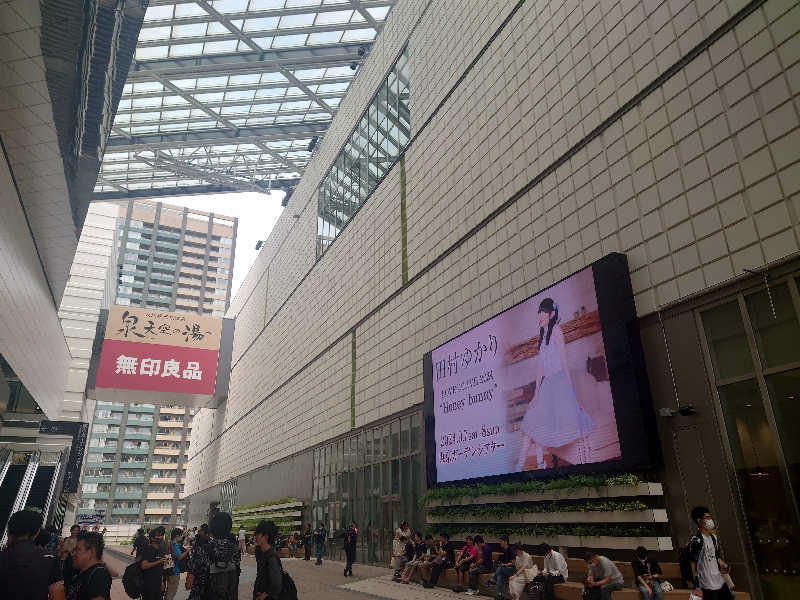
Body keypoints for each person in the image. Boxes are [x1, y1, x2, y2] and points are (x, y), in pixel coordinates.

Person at [517, 298, 593, 471]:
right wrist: (536, 393)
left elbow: (565, 363)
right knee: (533, 419)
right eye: (539, 312)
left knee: (539, 422)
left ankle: (531, 463)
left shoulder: (557, 331)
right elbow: (539, 368)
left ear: (552, 315)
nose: (540, 316)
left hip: (558, 383)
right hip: (547, 384)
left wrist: (572, 394)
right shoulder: (542, 337)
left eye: (544, 312)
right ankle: (529, 463)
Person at [0, 510, 61, 600]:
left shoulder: (3, 556)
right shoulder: (50, 559)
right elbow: (57, 594)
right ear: (36, 533)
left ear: (9, 531)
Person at [187, 512, 241, 600]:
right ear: (229, 528)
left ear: (212, 528)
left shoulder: (200, 550)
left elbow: (188, 584)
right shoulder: (236, 550)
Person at [688, 506, 733, 600]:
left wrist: (723, 564)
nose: (710, 520)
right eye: (707, 518)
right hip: (706, 584)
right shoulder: (697, 541)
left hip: (718, 581)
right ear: (699, 521)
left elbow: (715, 556)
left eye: (710, 517)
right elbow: (693, 564)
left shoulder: (714, 538)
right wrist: (696, 587)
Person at [70, 531, 112, 600]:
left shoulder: (98, 575)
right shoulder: (82, 571)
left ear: (92, 552)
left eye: (78, 550)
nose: (73, 554)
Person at [252, 520, 285, 600]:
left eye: (258, 534)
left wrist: (264, 595)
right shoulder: (262, 553)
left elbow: (276, 582)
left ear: (265, 537)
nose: (255, 536)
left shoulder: (271, 557)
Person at [140, 528, 168, 600]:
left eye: (162, 535)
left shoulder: (160, 549)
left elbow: (160, 568)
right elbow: (144, 566)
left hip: (158, 583)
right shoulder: (148, 549)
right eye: (158, 536)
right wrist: (159, 561)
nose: (161, 537)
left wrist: (161, 582)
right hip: (149, 584)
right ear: (152, 538)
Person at [487, 535, 516, 600]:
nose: (500, 543)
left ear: (505, 542)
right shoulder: (503, 550)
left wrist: (505, 565)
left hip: (512, 570)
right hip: (505, 570)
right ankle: (501, 595)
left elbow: (513, 563)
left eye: (501, 541)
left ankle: (493, 579)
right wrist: (501, 564)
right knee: (500, 576)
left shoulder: (510, 550)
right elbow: (501, 562)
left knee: (500, 569)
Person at [166, 528, 190, 600]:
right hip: (175, 570)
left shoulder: (169, 543)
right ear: (177, 536)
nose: (181, 537)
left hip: (169, 569)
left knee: (168, 590)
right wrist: (187, 551)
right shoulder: (175, 545)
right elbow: (179, 557)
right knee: (171, 592)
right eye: (180, 535)